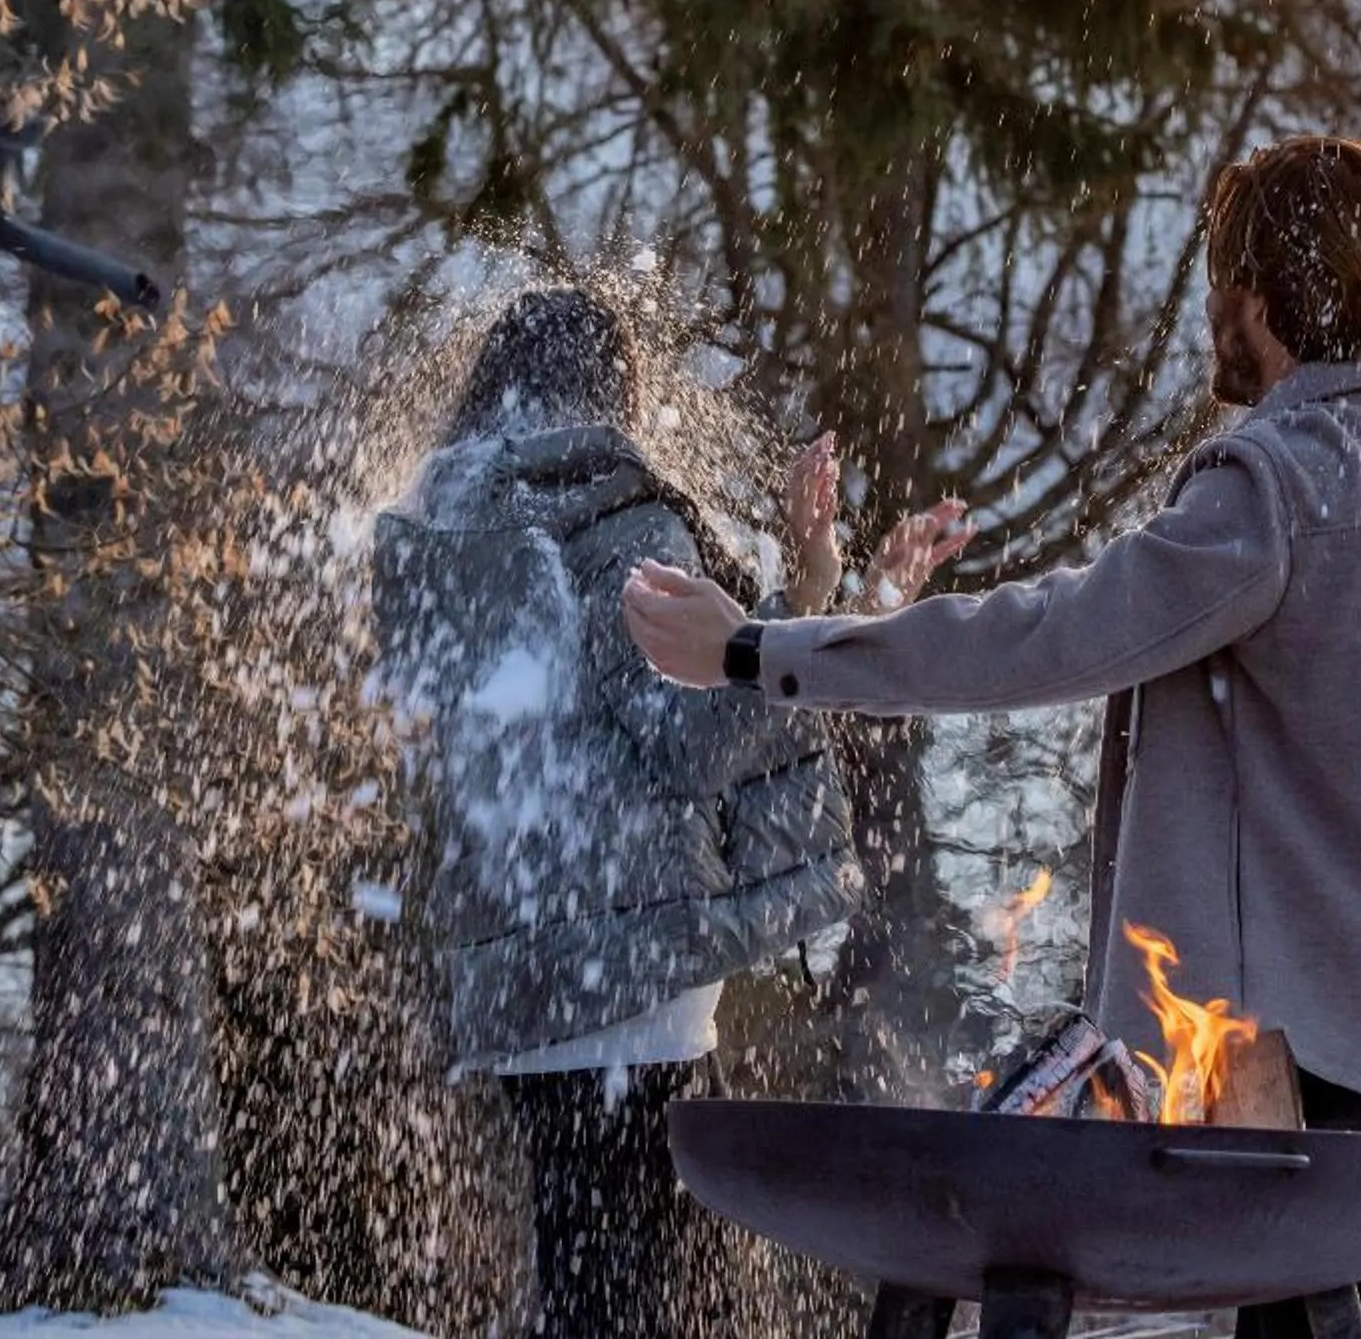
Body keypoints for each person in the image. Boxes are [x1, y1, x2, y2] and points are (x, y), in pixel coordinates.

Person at [624, 137, 1361, 1339]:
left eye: (1223, 281)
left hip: (1325, 1077)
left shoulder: (1275, 485)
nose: (1213, 311)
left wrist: (762, 649)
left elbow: (1051, 636)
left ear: (1263, 301)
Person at [372, 286, 955, 1336]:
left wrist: (825, 599)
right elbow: (698, 737)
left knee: (592, 1279)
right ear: (611, 389)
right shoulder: (618, 516)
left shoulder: (448, 533)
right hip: (633, 980)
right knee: (658, 1295)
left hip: (521, 980)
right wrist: (810, 584)